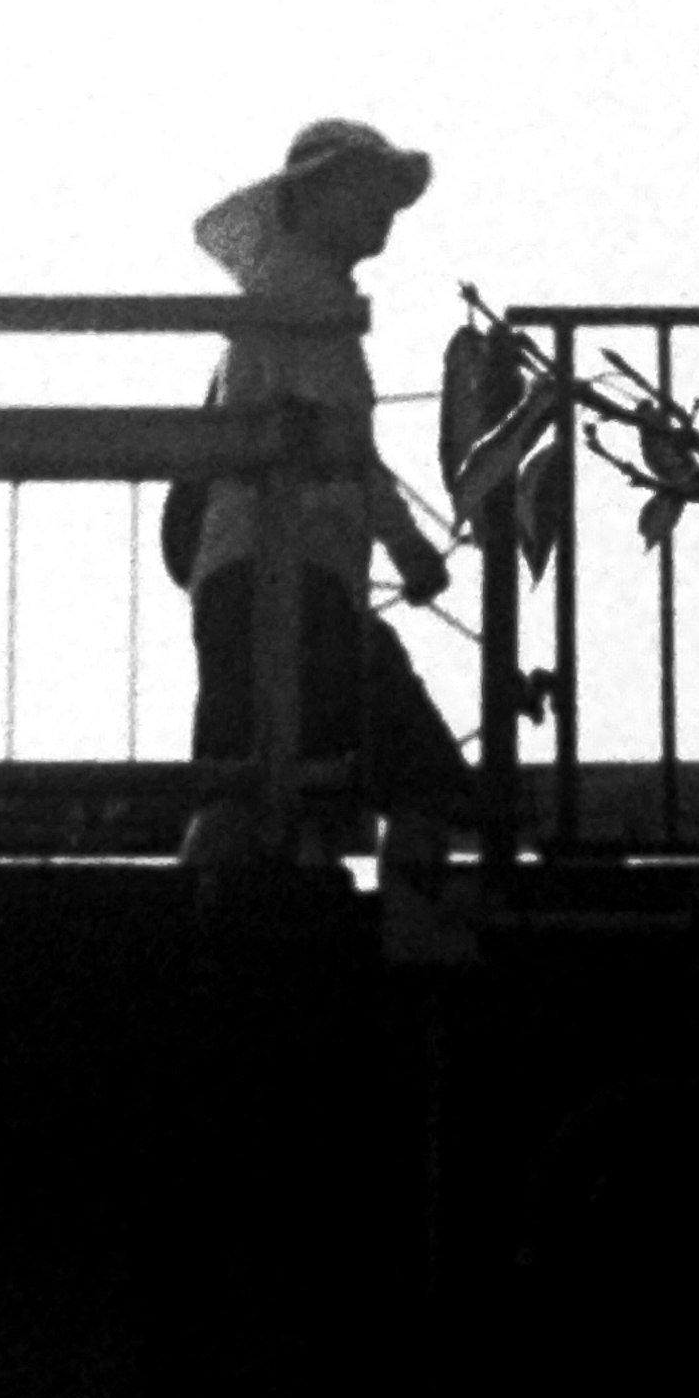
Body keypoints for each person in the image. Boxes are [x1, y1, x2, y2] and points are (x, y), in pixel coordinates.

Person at [177, 116, 472, 887]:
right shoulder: (309, 301)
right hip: (296, 582)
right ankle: (416, 943)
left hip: (242, 579)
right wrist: (407, 545)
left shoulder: (279, 296)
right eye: (364, 193)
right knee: (418, 777)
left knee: (243, 781)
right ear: (309, 202)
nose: (383, 213)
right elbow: (343, 449)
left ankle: (195, 930)